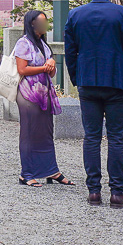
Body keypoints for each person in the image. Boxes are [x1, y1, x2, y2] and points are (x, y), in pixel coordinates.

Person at [64, 0, 123, 208]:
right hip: (119, 81)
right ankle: (117, 193)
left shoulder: (75, 15)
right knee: (116, 138)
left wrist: (77, 78)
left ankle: (94, 191)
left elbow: (70, 51)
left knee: (91, 137)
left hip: (88, 82)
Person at [14, 10, 73, 188]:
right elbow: (22, 70)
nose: (45, 25)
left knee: (46, 132)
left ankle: (51, 170)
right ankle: (27, 173)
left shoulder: (43, 44)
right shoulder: (23, 43)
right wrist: (44, 67)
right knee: (29, 132)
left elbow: (51, 71)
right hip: (27, 93)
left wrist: (52, 64)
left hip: (44, 92)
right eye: (42, 21)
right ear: (32, 24)